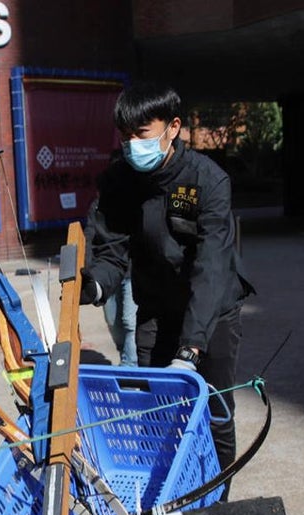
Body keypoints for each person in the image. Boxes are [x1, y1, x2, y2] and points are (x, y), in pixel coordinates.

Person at [81, 81, 254, 479]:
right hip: (156, 309)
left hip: (212, 312)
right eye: (125, 137)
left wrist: (191, 347)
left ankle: (214, 504)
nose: (132, 145)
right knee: (156, 414)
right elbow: (111, 251)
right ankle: (167, 499)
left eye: (141, 134)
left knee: (215, 413)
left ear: (173, 127)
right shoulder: (118, 182)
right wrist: (94, 285)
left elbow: (211, 266)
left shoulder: (207, 180)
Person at [102, 272, 138, 367]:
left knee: (130, 322)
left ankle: (129, 364)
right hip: (109, 274)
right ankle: (124, 354)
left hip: (133, 273)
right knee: (112, 321)